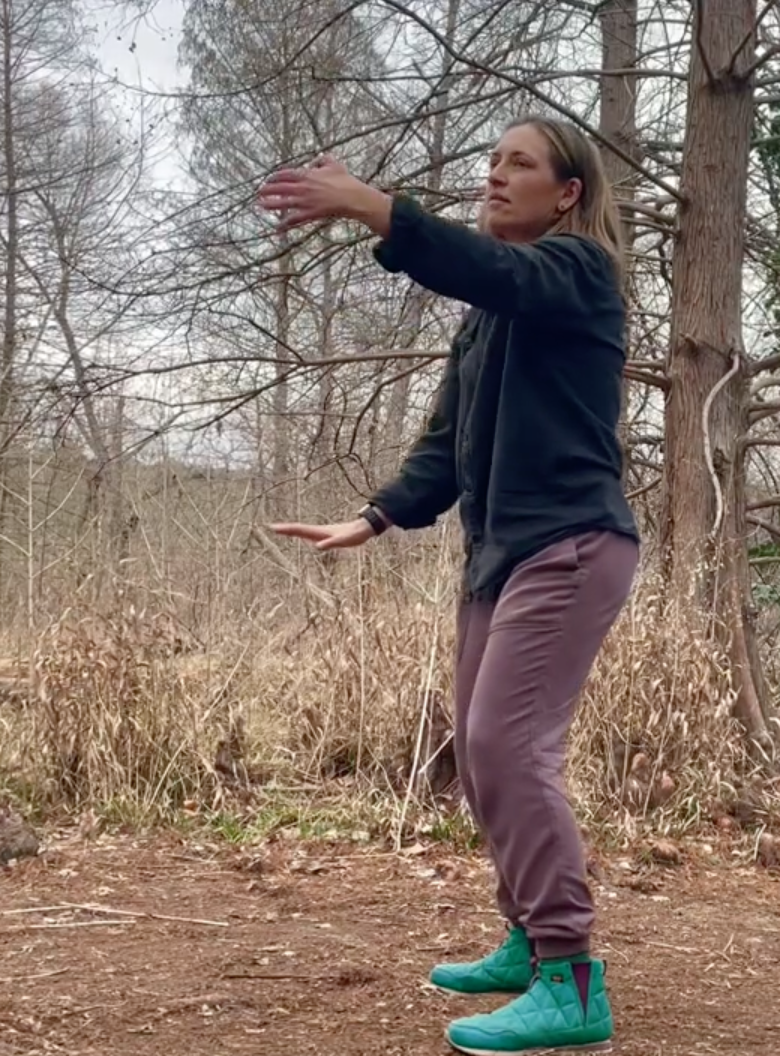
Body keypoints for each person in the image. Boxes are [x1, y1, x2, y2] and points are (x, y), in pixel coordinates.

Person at [256, 114, 639, 1055]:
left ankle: (570, 980)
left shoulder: (578, 273)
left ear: (568, 193)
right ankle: (527, 939)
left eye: (520, 164)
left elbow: (491, 268)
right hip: (501, 555)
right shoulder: (490, 316)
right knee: (478, 749)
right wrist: (377, 516)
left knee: (510, 746)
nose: (496, 175)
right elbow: (448, 443)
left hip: (570, 543)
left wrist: (375, 207)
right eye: (492, 162)